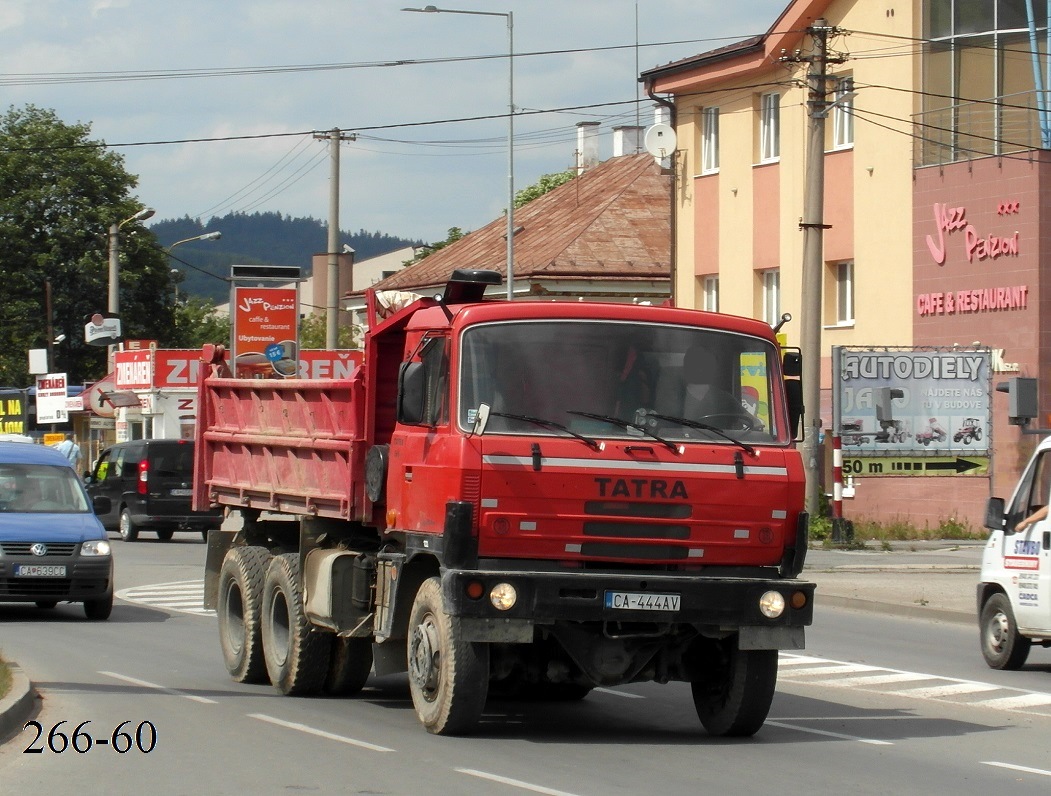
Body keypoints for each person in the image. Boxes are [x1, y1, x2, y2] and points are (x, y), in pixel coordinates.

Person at [681, 345, 745, 421]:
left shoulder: (725, 399)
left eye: (705, 364)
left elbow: (754, 422)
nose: (700, 369)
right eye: (696, 363)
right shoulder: (674, 397)